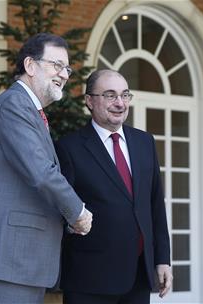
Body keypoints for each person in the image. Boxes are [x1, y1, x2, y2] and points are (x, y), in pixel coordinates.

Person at [0, 33, 92, 304]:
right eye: (56, 65)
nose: (64, 74)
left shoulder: (29, 110)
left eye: (67, 68)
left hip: (19, 261)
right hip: (7, 260)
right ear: (30, 66)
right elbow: (41, 172)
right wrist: (77, 212)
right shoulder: (14, 104)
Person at [56, 69, 172, 304]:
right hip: (90, 279)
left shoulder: (144, 142)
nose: (120, 103)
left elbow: (155, 205)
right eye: (110, 95)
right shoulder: (69, 148)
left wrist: (162, 259)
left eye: (124, 95)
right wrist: (72, 226)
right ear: (89, 100)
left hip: (139, 275)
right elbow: (59, 209)